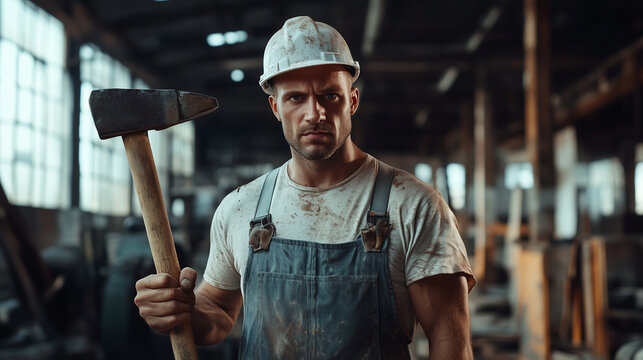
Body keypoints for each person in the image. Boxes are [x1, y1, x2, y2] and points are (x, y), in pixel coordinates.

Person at [134, 16, 476, 359]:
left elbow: (450, 340)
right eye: (296, 98)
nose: (315, 113)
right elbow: (219, 312)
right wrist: (182, 310)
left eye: (330, 96)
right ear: (276, 107)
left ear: (352, 101)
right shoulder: (241, 209)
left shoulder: (412, 204)